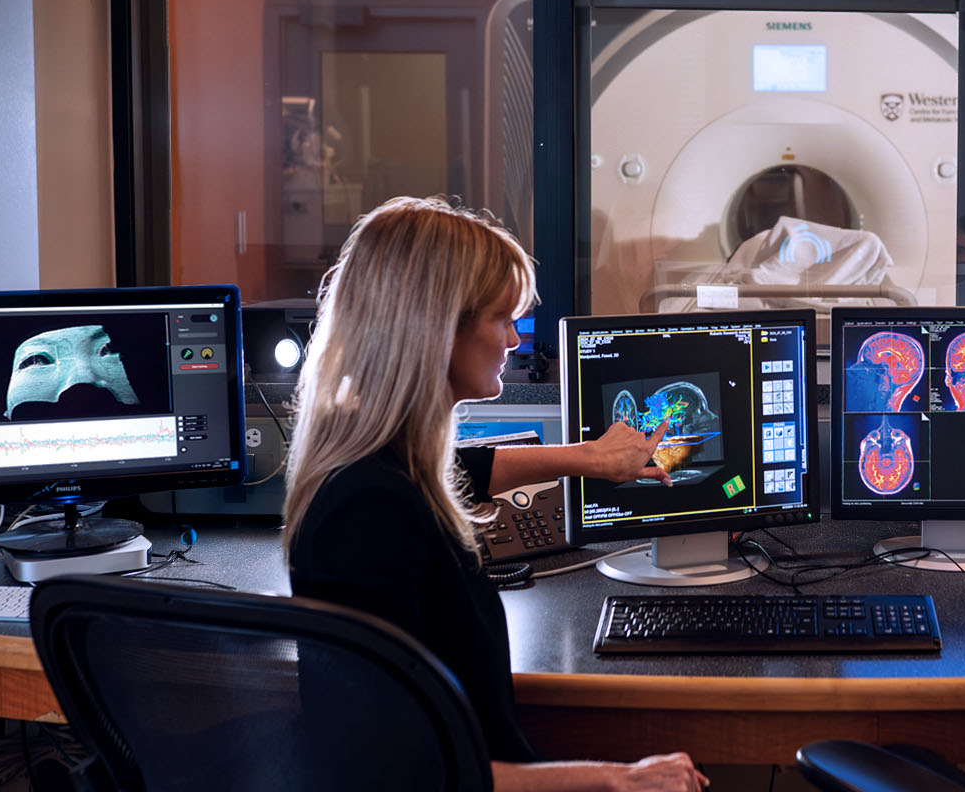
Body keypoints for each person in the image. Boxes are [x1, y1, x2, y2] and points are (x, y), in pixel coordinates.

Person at [282, 196, 708, 792]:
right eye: (502, 318)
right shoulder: (368, 514)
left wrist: (590, 459)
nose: (514, 338)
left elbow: (465, 468)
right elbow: (393, 777)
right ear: (436, 327)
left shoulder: (385, 472)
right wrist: (617, 780)